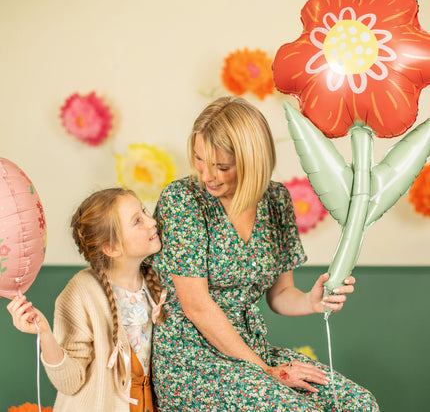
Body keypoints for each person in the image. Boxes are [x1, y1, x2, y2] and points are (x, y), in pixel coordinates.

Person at [151, 96, 379, 411]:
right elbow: (197, 306)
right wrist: (265, 370)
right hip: (192, 360)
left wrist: (309, 301)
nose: (206, 175)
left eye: (221, 166)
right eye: (199, 159)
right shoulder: (183, 200)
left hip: (252, 350)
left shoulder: (276, 200)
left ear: (251, 160)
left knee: (358, 404)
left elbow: (280, 294)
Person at [7, 188, 166, 412]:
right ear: (111, 248)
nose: (152, 222)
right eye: (137, 221)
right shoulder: (81, 292)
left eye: (145, 212)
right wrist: (45, 334)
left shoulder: (159, 282)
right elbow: (70, 382)